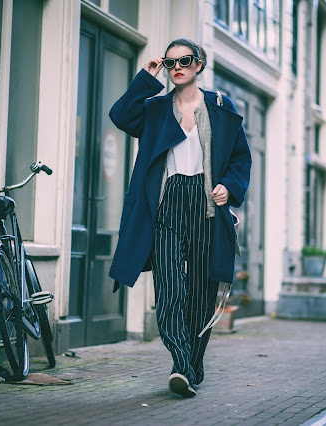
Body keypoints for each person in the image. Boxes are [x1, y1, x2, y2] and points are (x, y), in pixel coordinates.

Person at [108, 38, 251, 397]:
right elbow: (121, 115)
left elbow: (240, 157)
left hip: (206, 204)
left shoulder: (221, 106)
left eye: (185, 61)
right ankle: (181, 364)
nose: (177, 68)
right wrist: (146, 77)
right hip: (167, 203)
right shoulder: (155, 108)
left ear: (199, 64)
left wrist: (229, 187)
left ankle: (192, 363)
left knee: (201, 293)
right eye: (171, 63)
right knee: (170, 289)